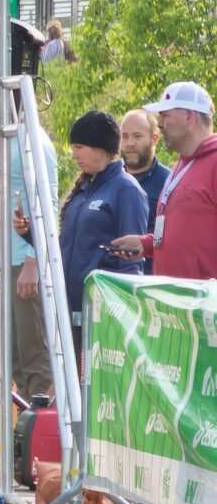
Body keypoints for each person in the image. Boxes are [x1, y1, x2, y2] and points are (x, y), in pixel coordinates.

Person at [31, 110, 150, 360]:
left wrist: (119, 315)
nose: (74, 155)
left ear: (100, 147)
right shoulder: (84, 188)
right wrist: (28, 234)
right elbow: (69, 245)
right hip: (69, 311)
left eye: (80, 147)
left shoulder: (126, 190)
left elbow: (131, 262)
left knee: (94, 393)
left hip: (102, 314)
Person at [111, 82, 217, 280]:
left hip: (205, 306)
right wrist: (146, 244)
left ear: (189, 117)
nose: (159, 123)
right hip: (175, 304)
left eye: (165, 115)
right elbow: (186, 234)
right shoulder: (181, 165)